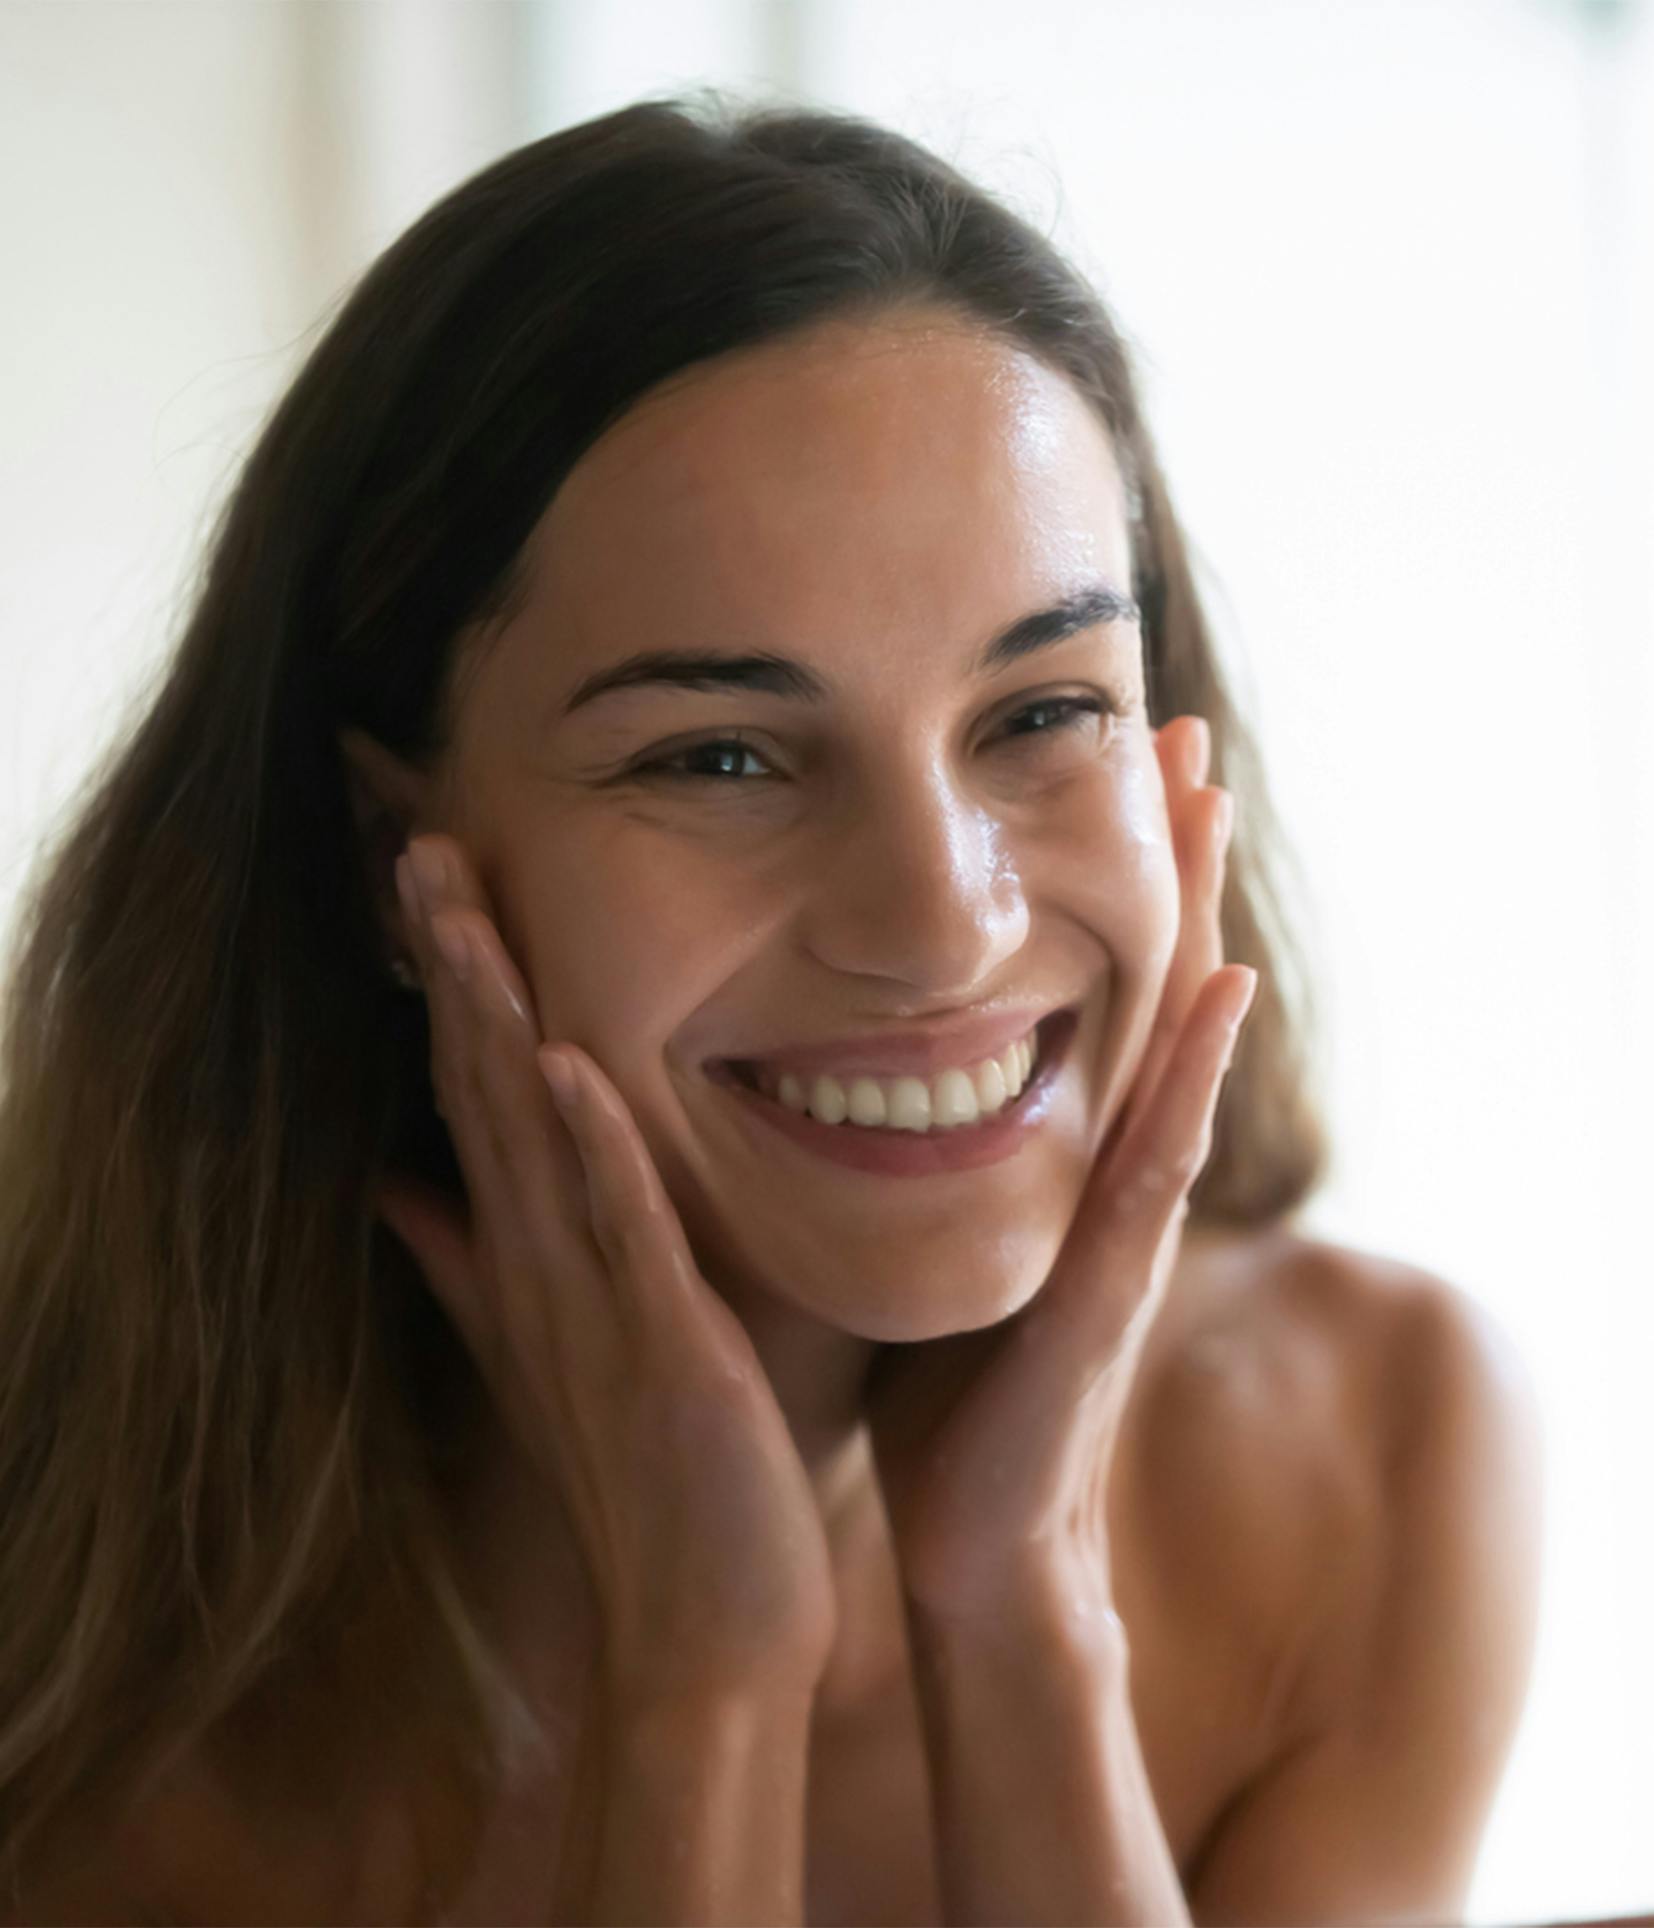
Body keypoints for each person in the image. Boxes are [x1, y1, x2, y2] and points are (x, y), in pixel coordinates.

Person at [0, 93, 1543, 1925]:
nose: (941, 929)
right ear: (384, 860)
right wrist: (705, 1675)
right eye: (720, 753)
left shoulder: (1377, 1449)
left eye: (1046, 711)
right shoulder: (75, 1635)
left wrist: (1023, 1605)